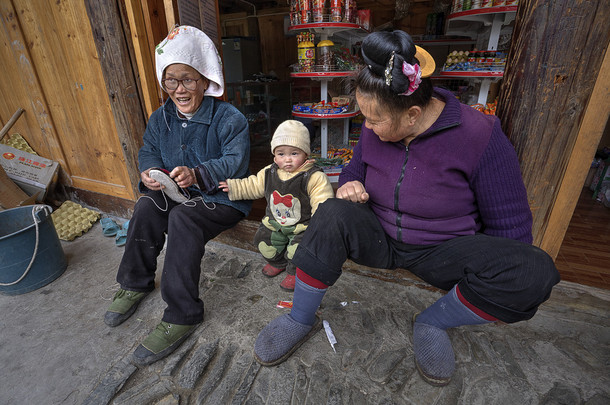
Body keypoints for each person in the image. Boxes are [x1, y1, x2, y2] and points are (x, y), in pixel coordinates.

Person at [253, 30, 560, 386]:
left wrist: (492, 273)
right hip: (379, 237)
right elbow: (356, 168)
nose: (366, 127)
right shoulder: (378, 123)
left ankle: (434, 321)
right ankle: (300, 317)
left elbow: (510, 226)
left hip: (442, 251)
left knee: (532, 271)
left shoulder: (480, 135)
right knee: (331, 213)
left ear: (412, 115)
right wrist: (350, 183)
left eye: (373, 120)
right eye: (363, 118)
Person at [104, 26, 252, 366]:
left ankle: (182, 314)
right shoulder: (161, 118)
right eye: (171, 81)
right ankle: (135, 283)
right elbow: (149, 150)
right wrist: (150, 170)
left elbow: (235, 162)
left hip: (223, 197)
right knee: (146, 205)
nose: (179, 89)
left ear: (203, 80)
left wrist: (198, 173)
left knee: (182, 218)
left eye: (187, 80)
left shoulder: (229, 118)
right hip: (175, 192)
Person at [219, 120, 334, 291]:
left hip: (302, 227)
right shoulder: (269, 172)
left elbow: (322, 199)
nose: (287, 159)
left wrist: (321, 222)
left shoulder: (313, 177)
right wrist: (235, 187)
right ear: (274, 156)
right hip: (275, 224)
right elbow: (253, 185)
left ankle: (295, 272)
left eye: (294, 153)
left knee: (300, 251)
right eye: (281, 154)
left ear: (306, 154)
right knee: (262, 241)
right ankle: (278, 262)